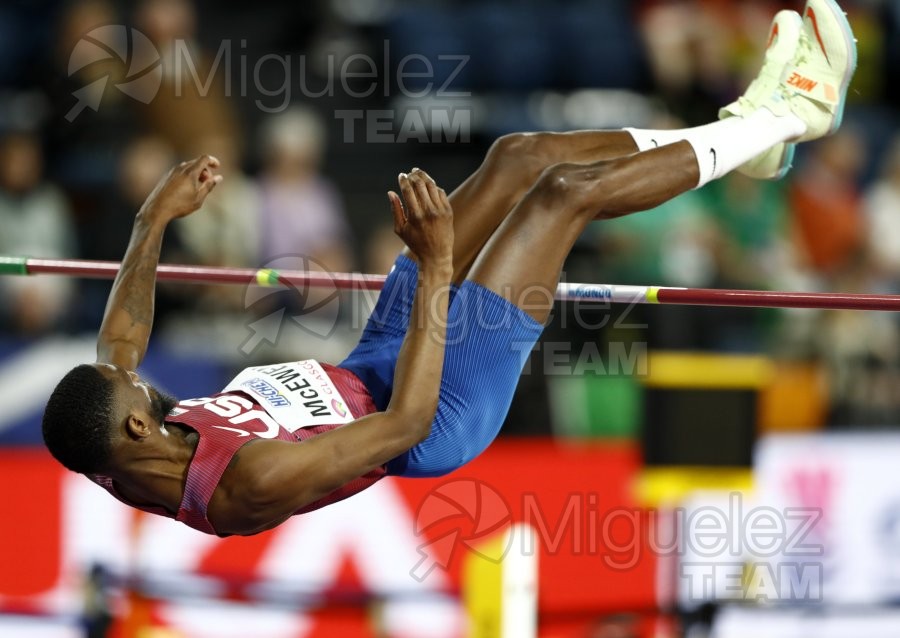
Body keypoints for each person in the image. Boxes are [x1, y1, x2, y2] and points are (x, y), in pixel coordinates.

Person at [42, 1, 856, 536]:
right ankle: (799, 111)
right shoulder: (242, 482)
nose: (143, 378)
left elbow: (119, 340)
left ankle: (747, 135)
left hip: (374, 360)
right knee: (558, 197)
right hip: (437, 406)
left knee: (518, 156)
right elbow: (403, 428)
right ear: (138, 429)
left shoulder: (117, 441)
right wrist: (435, 271)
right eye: (139, 394)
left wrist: (153, 217)